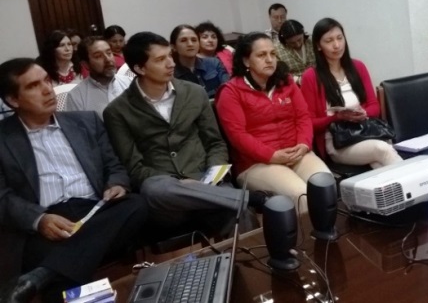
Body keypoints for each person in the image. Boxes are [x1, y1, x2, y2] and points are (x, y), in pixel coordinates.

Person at [0, 58, 147, 303]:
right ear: (13, 100)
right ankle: (52, 272)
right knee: (52, 254)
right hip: (46, 220)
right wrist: (39, 219)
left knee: (138, 205)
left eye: (47, 81)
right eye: (34, 86)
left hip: (96, 210)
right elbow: (2, 196)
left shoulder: (86, 121)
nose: (47, 90)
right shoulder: (4, 138)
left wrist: (116, 183)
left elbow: (113, 166)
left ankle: (42, 275)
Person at [103, 32, 265, 233]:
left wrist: (211, 174)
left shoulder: (194, 92)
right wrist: (180, 184)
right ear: (139, 68)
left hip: (205, 178)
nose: (171, 63)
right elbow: (134, 167)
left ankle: (243, 236)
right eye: (160, 60)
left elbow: (215, 142)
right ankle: (251, 198)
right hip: (166, 194)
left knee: (240, 213)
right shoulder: (118, 111)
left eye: (170, 56)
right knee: (155, 189)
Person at [215, 32, 331, 213]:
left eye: (273, 54)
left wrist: (303, 144)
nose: (269, 60)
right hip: (256, 163)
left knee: (325, 184)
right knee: (301, 194)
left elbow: (303, 116)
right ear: (246, 61)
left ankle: (329, 229)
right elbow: (238, 136)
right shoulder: (231, 92)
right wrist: (272, 155)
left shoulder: (286, 82)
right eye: (261, 55)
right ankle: (308, 233)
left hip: (296, 152)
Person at [301, 18, 403, 168]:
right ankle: (416, 181)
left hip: (365, 131)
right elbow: (309, 122)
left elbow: (374, 106)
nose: (336, 45)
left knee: (379, 163)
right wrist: (336, 118)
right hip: (338, 141)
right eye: (329, 41)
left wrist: (364, 113)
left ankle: (404, 182)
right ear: (318, 46)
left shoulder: (358, 67)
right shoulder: (311, 76)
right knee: (382, 150)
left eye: (339, 38)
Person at [65, 37, 132, 118]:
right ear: (86, 64)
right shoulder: (76, 96)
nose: (108, 59)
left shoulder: (130, 83)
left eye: (109, 53)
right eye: (98, 56)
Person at [170, 24, 229, 99]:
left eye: (194, 40)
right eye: (183, 40)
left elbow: (228, 89)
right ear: (174, 47)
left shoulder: (214, 63)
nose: (190, 44)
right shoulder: (171, 74)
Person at [275, 20, 315, 84]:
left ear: (303, 33)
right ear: (285, 40)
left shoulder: (312, 41)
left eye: (299, 40)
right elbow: (279, 73)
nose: (297, 44)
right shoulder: (277, 50)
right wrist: (298, 80)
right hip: (293, 84)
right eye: (292, 43)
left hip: (317, 80)